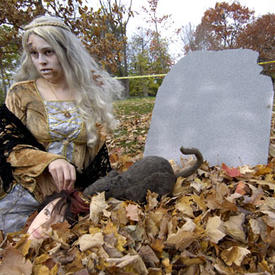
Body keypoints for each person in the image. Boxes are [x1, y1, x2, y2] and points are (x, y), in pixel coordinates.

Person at [0, 15, 123, 234]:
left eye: (48, 52)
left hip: (77, 197)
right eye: (34, 54)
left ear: (66, 51)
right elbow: (7, 145)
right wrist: (50, 161)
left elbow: (95, 155)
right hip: (28, 194)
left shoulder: (90, 93)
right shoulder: (21, 93)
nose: (41, 61)